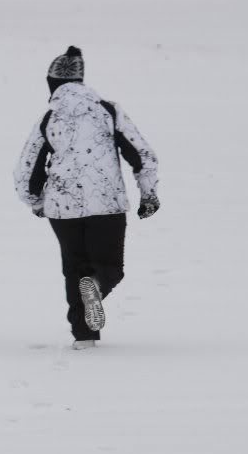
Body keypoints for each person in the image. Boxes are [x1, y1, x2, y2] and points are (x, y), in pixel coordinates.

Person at [14, 46, 159, 350]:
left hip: (61, 209)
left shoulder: (50, 118)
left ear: (52, 84)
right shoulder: (108, 111)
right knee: (108, 268)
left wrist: (36, 202)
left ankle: (84, 338)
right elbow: (141, 154)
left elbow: (26, 168)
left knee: (75, 270)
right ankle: (97, 286)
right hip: (106, 204)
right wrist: (148, 193)